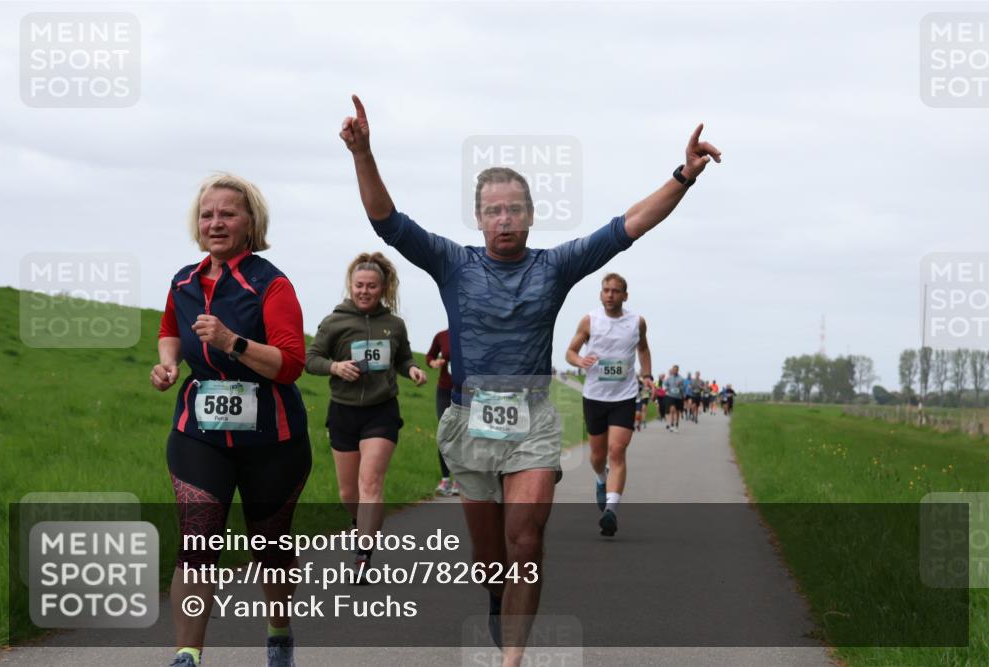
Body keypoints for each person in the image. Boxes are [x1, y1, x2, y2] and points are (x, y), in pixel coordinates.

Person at [339, 94, 720, 664]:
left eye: (514, 208)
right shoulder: (452, 262)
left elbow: (627, 227)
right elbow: (387, 223)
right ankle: (498, 598)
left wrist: (682, 177)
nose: (504, 218)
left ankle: (512, 658)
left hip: (532, 420)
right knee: (491, 557)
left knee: (526, 540)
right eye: (493, 210)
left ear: (531, 215)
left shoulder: (556, 266)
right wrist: (363, 153)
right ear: (479, 218)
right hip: (470, 419)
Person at [150, 173, 310, 667]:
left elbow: (291, 363)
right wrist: (168, 364)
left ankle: (279, 636)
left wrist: (231, 342)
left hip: (273, 438)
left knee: (271, 548)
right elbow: (169, 329)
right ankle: (187, 655)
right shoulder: (183, 280)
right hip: (199, 433)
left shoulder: (271, 283)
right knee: (198, 541)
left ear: (250, 222)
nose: (215, 222)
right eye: (207, 214)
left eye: (227, 213)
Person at [305, 252, 427, 577]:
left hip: (381, 410)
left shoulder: (394, 325)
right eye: (359, 285)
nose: (364, 291)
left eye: (371, 287)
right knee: (349, 493)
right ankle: (361, 521)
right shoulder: (335, 322)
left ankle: (363, 555)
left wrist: (412, 368)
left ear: (383, 289)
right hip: (343, 411)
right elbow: (311, 358)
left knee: (370, 481)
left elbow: (402, 358)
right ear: (351, 285)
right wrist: (335, 366)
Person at [565, 273, 655, 537]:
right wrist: (578, 360)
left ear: (625, 295)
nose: (610, 295)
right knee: (597, 456)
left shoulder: (636, 322)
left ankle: (611, 511)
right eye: (606, 290)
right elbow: (570, 351)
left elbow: (643, 349)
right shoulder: (590, 320)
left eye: (616, 291)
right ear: (600, 293)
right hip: (594, 395)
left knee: (617, 452)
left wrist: (647, 375)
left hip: (624, 396)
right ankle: (600, 479)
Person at [426, 328, 460, 496]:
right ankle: (445, 479)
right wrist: (433, 363)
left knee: (463, 434)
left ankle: (460, 480)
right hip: (444, 390)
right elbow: (429, 356)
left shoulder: (473, 333)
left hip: (467, 391)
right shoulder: (441, 336)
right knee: (444, 432)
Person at [663, 365, 685, 432]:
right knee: (672, 410)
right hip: (671, 396)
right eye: (673, 370)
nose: (674, 371)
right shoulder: (669, 378)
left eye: (675, 370)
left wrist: (680, 386)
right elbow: (665, 384)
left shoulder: (681, 379)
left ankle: (676, 424)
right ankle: (672, 425)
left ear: (678, 370)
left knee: (677, 412)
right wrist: (666, 389)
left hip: (678, 397)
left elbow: (683, 388)